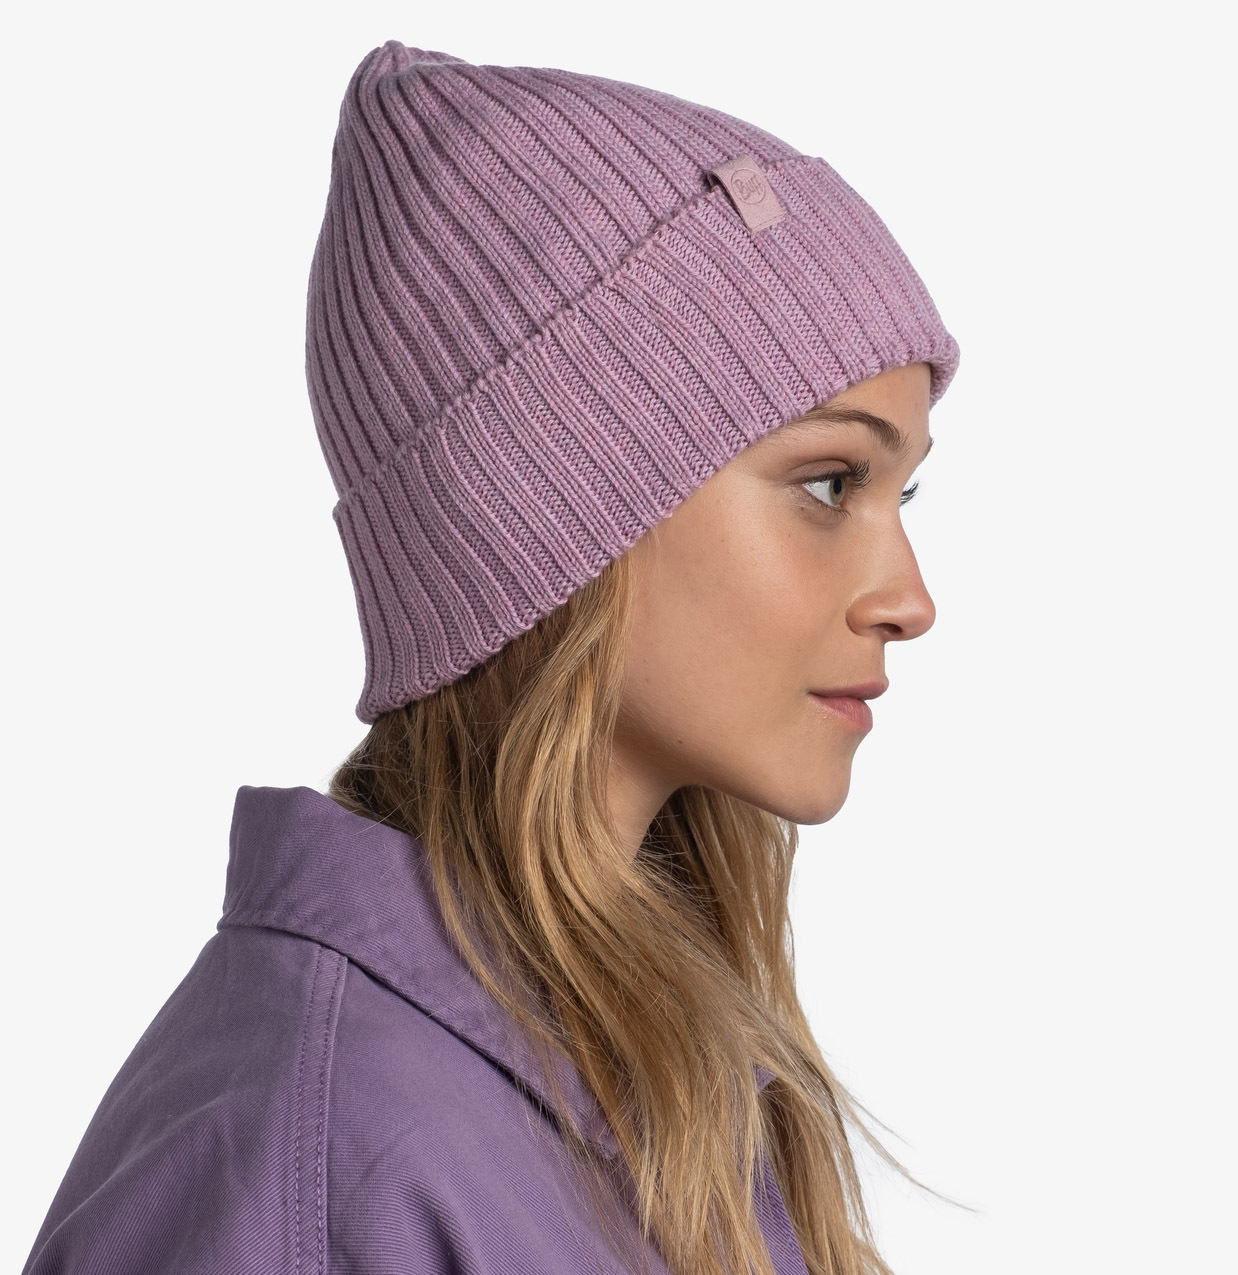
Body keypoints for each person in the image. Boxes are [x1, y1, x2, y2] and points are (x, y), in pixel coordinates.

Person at [22, 40, 960, 1275]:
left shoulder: (637, 1075)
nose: (909, 600)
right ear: (549, 517)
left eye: (904, 492)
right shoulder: (320, 1166)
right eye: (830, 482)